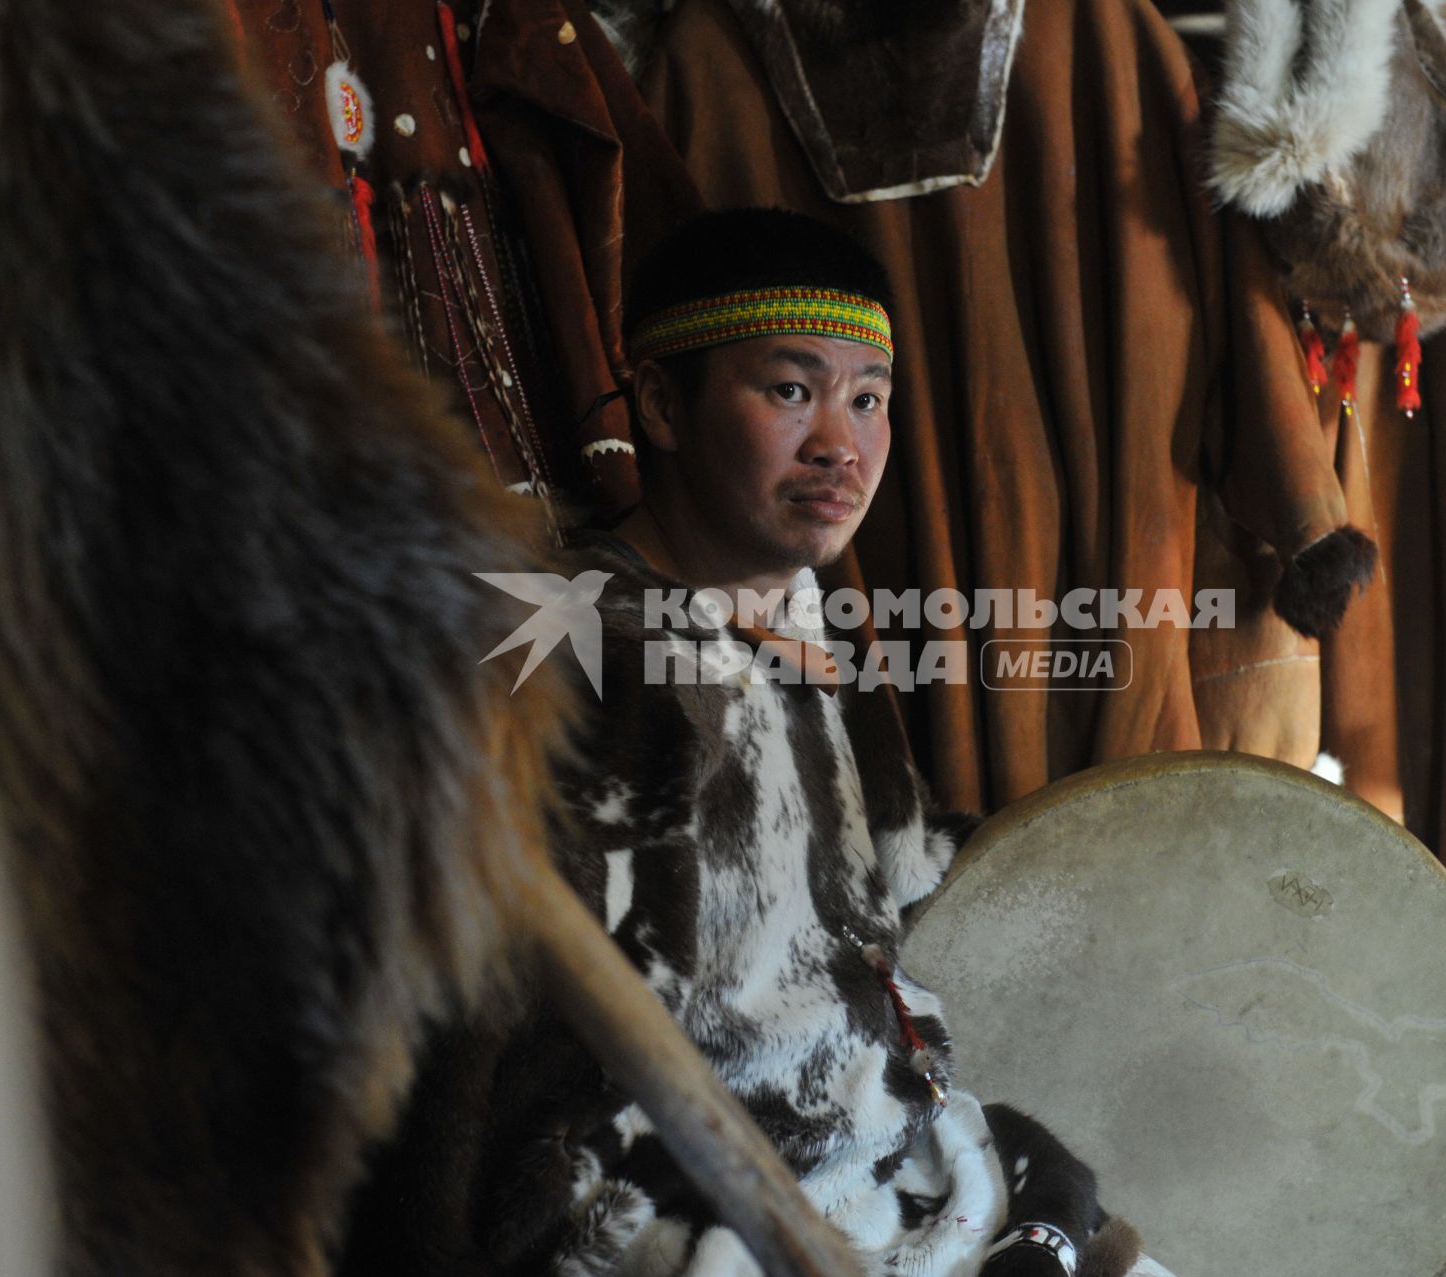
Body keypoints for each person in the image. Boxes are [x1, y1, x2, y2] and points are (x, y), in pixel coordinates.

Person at [339, 208, 1168, 1277]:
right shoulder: (578, 651)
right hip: (686, 1196)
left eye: (868, 398)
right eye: (790, 390)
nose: (841, 442)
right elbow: (493, 1040)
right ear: (662, 405)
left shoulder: (814, 617)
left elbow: (894, 875)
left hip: (893, 1150)